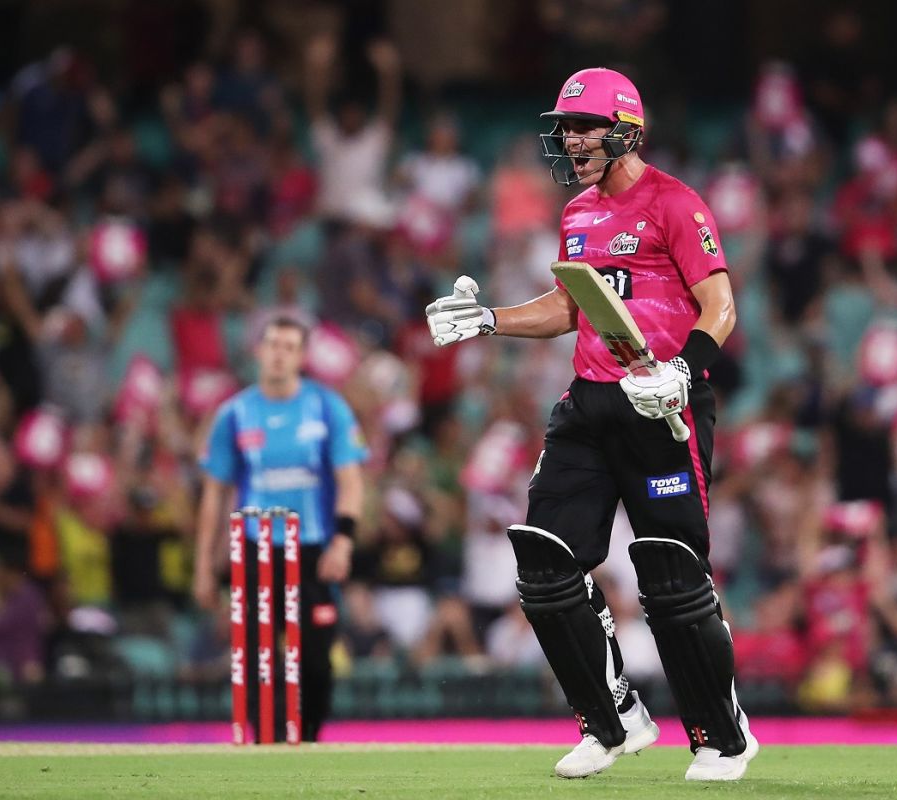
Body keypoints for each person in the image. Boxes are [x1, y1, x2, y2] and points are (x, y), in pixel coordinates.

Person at [425, 67, 756, 782]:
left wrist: (683, 371)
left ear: (626, 129)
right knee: (544, 562)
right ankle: (612, 721)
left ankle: (723, 738)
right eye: (566, 128)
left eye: (584, 127)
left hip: (662, 405)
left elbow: (719, 303)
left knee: (671, 577)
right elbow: (571, 308)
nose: (571, 139)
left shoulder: (675, 201)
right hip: (590, 401)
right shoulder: (577, 214)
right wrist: (489, 319)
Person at [192, 315, 366, 741]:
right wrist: (202, 566)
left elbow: (350, 482)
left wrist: (342, 542)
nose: (278, 354)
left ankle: (307, 737)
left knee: (317, 656)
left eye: (289, 346)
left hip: (313, 548)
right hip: (255, 547)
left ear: (303, 357)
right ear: (258, 351)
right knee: (256, 653)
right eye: (272, 344)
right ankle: (266, 741)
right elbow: (215, 494)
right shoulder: (234, 413)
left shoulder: (327, 407)